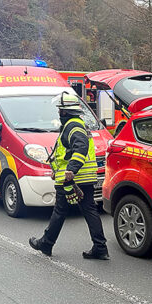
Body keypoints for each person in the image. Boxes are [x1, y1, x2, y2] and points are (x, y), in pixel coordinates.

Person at [29, 92, 109, 260]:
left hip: (73, 180)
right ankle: (100, 247)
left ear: (65, 112)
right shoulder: (77, 124)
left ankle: (47, 243)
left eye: (60, 110)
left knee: (60, 210)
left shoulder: (73, 126)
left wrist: (70, 171)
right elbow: (66, 152)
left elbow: (80, 147)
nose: (58, 113)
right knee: (88, 210)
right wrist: (56, 170)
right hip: (82, 178)